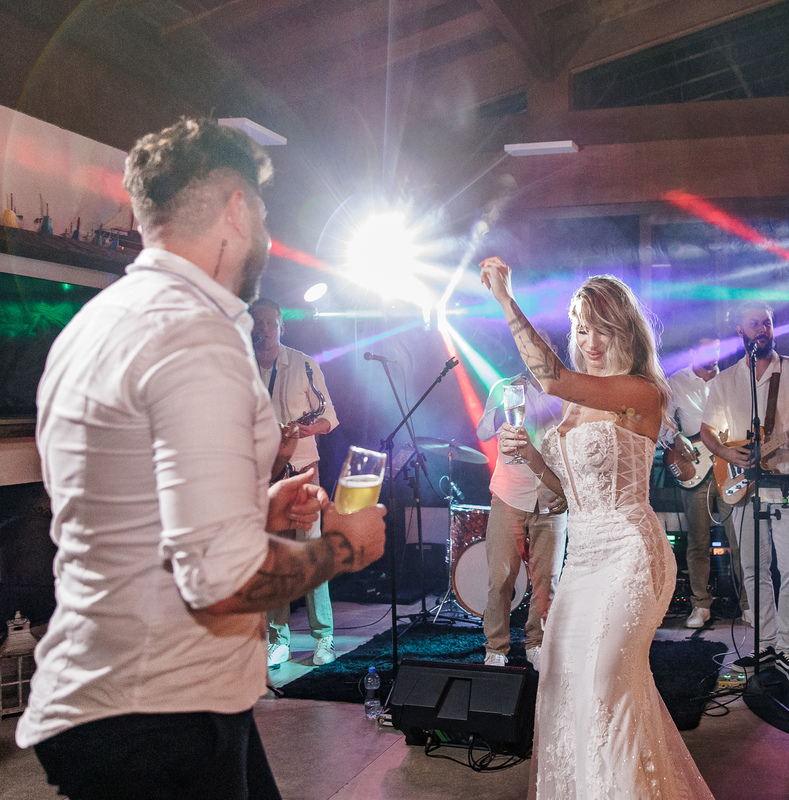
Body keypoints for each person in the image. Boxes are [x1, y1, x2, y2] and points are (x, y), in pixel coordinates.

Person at [16, 117, 386, 799]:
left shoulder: (93, 325)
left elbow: (131, 508)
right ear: (236, 209)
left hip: (117, 699)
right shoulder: (197, 337)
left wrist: (258, 509)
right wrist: (344, 548)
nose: (266, 232)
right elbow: (220, 582)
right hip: (160, 715)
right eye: (264, 211)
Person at [479, 258, 713, 800]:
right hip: (580, 562)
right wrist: (532, 457)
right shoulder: (573, 408)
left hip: (631, 553)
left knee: (608, 687)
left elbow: (551, 377)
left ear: (626, 331)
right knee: (562, 688)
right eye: (582, 329)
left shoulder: (643, 393)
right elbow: (563, 495)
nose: (590, 342)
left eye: (602, 329)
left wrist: (506, 300)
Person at [699, 302, 789, 685]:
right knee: (754, 568)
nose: (763, 329)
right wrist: (725, 454)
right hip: (746, 486)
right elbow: (707, 431)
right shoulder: (725, 381)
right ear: (741, 330)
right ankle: (765, 643)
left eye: (767, 322)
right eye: (755, 323)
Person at [249, 298, 340, 668]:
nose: (263, 329)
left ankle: (324, 638)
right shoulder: (240, 365)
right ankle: (278, 639)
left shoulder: (304, 364)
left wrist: (307, 429)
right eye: (257, 322)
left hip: (302, 468)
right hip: (264, 470)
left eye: (270, 322)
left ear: (282, 327)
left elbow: (330, 416)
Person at [476, 354, 568, 670]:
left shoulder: (566, 390)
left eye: (544, 345)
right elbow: (483, 431)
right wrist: (505, 404)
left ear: (553, 349)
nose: (536, 352)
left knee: (547, 581)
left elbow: (574, 446)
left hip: (552, 496)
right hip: (509, 494)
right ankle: (496, 648)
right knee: (500, 578)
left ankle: (537, 643)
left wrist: (567, 491)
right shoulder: (505, 387)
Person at [662, 337, 745, 628]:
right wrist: (676, 437)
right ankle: (700, 605)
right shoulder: (676, 381)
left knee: (740, 539)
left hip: (729, 465)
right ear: (693, 352)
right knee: (698, 542)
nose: (715, 355)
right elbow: (662, 420)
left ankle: (749, 604)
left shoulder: (732, 379)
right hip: (694, 466)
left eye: (718, 349)